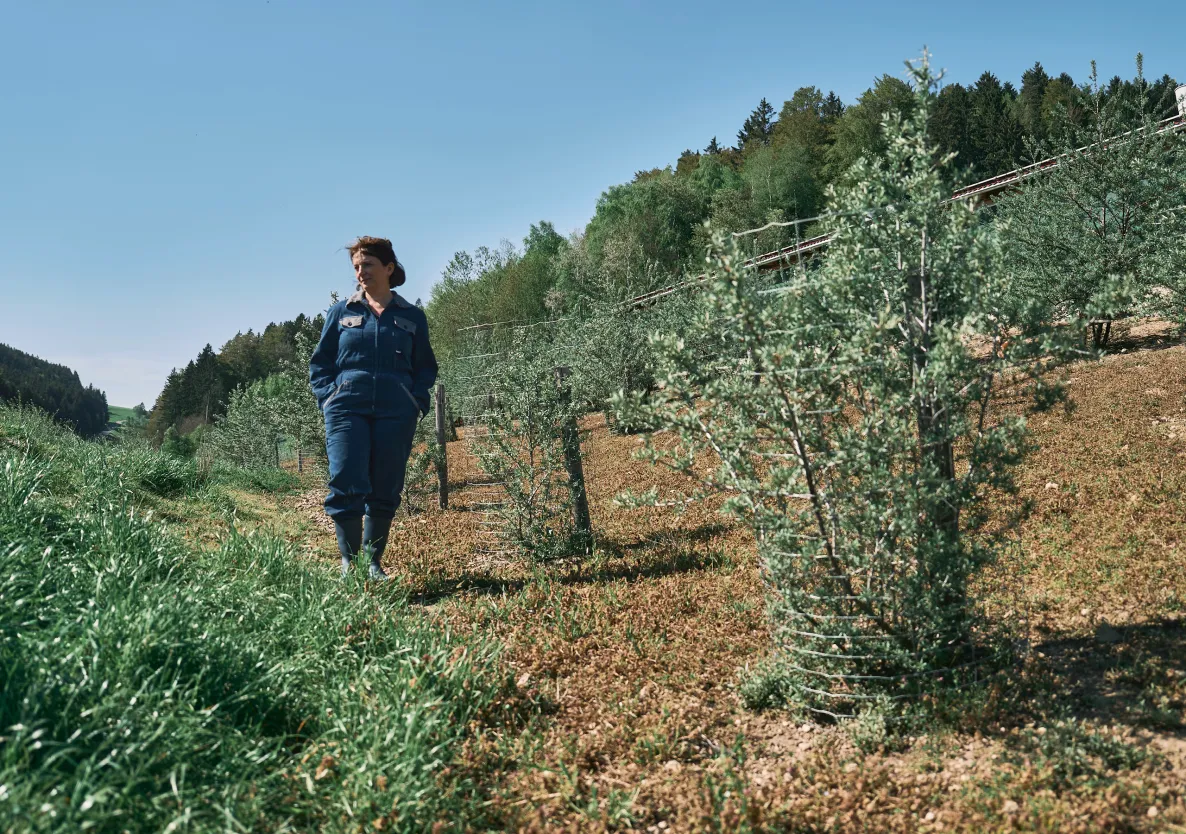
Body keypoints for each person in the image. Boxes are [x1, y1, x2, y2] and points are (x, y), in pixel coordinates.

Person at [309, 236, 437, 579]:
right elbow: (320, 363)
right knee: (346, 477)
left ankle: (373, 562)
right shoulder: (342, 312)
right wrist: (329, 398)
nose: (360, 272)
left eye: (367, 265)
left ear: (389, 268)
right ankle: (351, 562)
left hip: (397, 411)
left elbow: (426, 367)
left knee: (386, 484)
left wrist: (415, 401)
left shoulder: (412, 316)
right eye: (356, 267)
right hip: (347, 408)